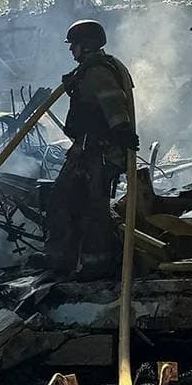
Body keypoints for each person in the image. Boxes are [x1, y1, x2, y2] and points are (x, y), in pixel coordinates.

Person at [47, 20, 137, 274]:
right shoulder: (95, 69)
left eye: (73, 45)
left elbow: (113, 103)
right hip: (89, 150)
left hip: (97, 153)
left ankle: (88, 264)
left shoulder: (97, 71)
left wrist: (123, 132)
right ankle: (74, 261)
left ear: (84, 45)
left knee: (79, 205)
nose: (70, 50)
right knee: (75, 203)